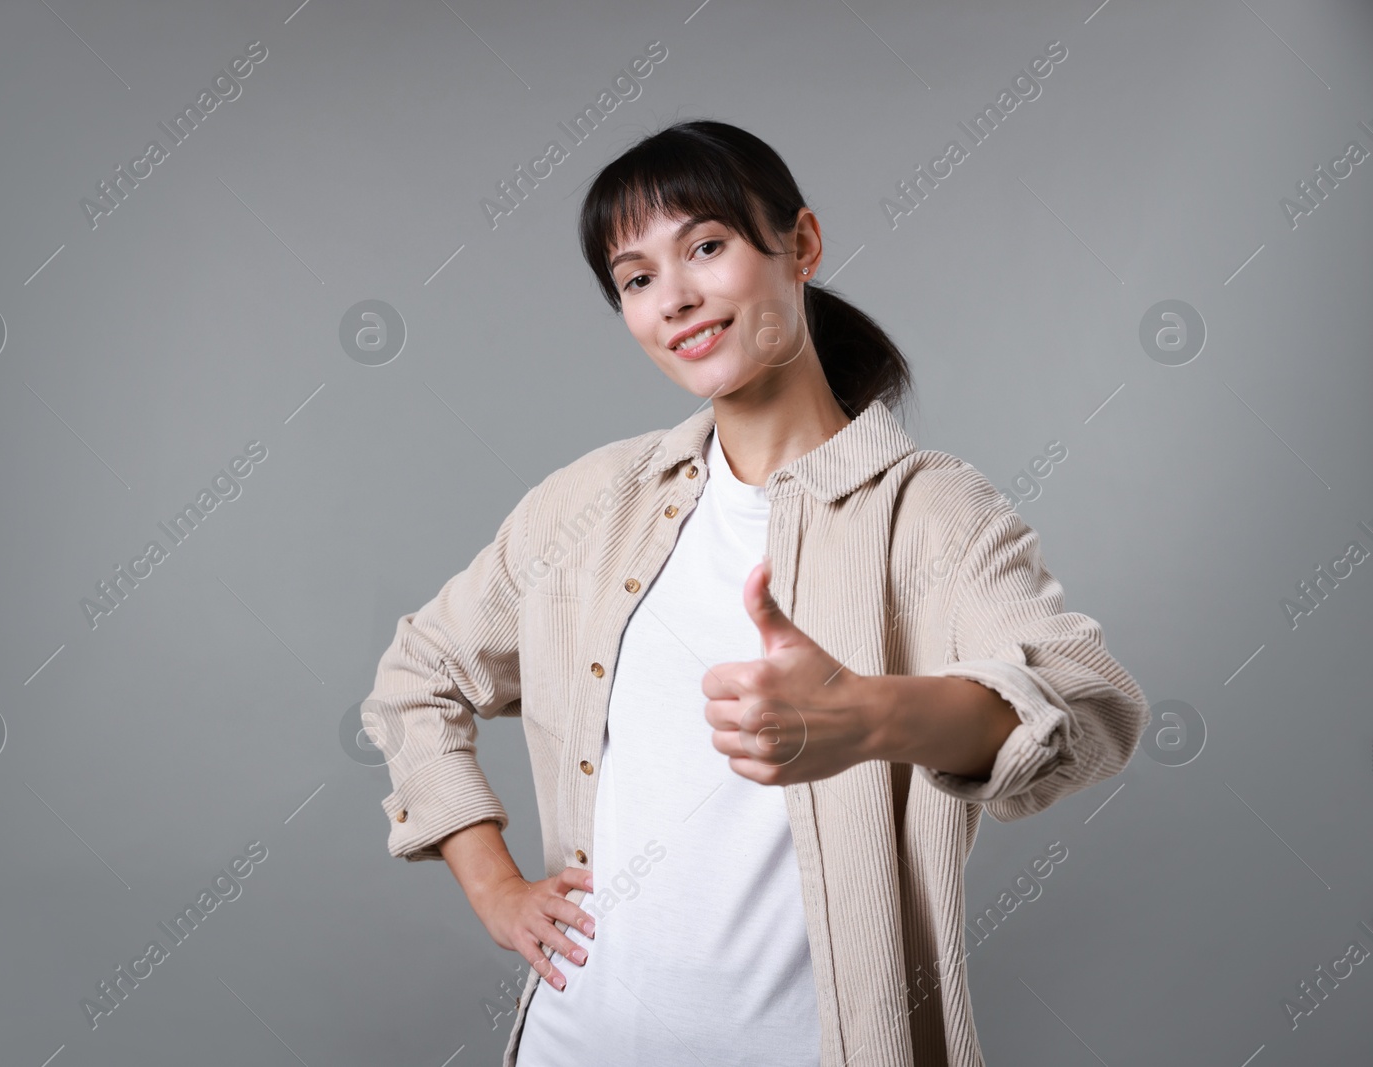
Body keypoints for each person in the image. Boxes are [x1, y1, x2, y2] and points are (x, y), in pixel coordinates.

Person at [362, 119, 1149, 1067]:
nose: (677, 297)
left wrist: (872, 718)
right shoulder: (591, 502)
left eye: (707, 245)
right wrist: (493, 885)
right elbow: (420, 671)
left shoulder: (933, 511)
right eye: (637, 278)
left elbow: (1090, 704)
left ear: (801, 245)